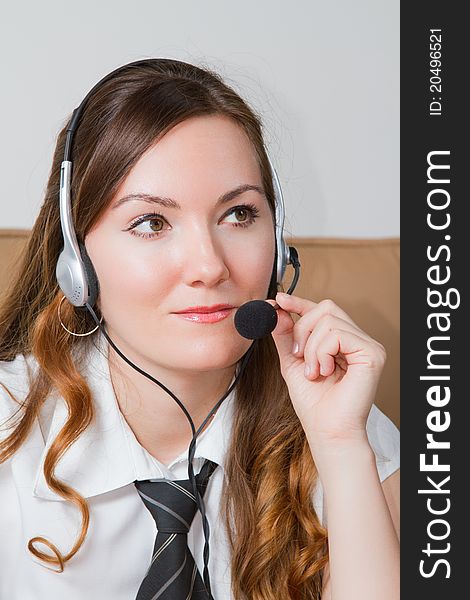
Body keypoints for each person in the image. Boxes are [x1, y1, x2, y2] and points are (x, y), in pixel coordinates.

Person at [0, 58, 399, 600]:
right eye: (151, 223)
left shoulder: (339, 417)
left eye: (238, 214)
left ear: (278, 240)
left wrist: (341, 447)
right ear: (77, 261)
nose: (209, 266)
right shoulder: (9, 426)